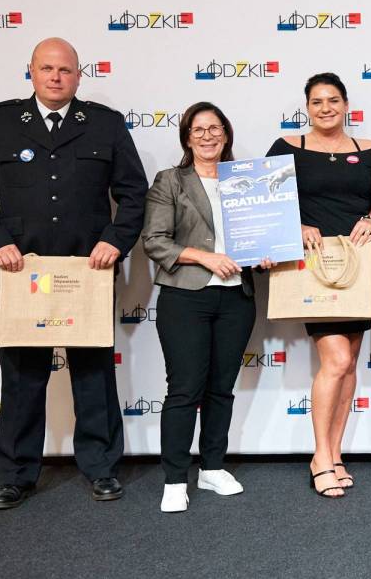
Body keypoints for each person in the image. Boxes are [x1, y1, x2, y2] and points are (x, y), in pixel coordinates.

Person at [0, 37, 148, 509]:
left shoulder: (105, 123)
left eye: (65, 69)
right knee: (22, 377)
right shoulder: (0, 122)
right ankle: (16, 476)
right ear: (32, 72)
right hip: (24, 271)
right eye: (47, 68)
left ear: (78, 75)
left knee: (93, 374)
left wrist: (115, 239)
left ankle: (101, 469)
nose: (56, 77)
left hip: (89, 269)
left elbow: (133, 193)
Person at [142, 102, 274, 512]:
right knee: (184, 390)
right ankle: (175, 478)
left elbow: (260, 236)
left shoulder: (247, 180)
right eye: (198, 129)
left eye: (215, 128)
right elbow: (154, 241)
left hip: (237, 298)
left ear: (226, 134)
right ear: (186, 137)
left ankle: (212, 467)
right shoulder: (171, 180)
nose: (207, 136)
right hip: (186, 297)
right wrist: (205, 257)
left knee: (221, 388)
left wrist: (265, 254)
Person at [266, 73, 371, 498]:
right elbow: (262, 199)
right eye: (317, 101)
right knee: (335, 360)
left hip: (357, 266)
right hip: (312, 268)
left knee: (349, 364)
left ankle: (335, 453)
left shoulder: (369, 150)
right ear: (307, 107)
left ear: (346, 104)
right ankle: (319, 457)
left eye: (333, 100)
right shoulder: (287, 147)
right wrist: (293, 225)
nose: (325, 108)